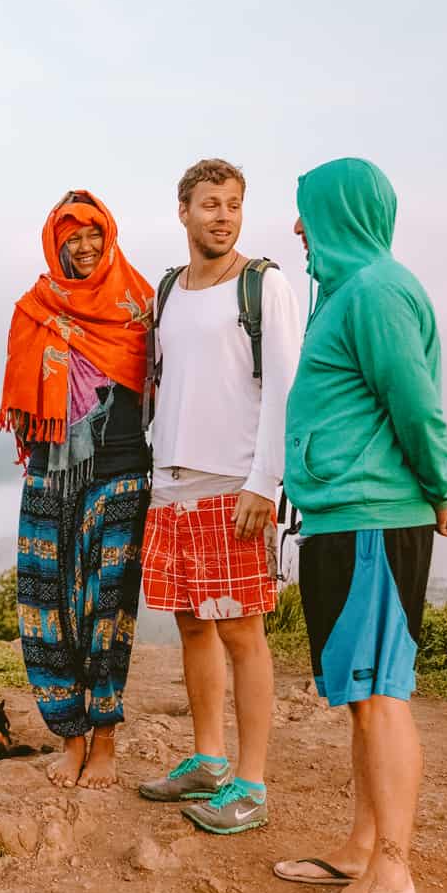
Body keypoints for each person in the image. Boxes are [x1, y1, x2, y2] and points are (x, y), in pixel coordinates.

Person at [272, 157, 447, 893]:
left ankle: (393, 874)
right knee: (361, 698)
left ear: (340, 211)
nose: (297, 227)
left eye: (306, 211)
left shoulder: (376, 291)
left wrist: (441, 488)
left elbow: (413, 400)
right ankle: (364, 847)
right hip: (342, 519)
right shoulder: (346, 294)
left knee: (381, 695)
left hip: (372, 521)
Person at [135, 159, 303, 834]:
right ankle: (207, 759)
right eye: (210, 203)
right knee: (191, 623)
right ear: (183, 210)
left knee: (242, 631)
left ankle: (252, 785)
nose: (223, 215)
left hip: (235, 485)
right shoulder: (168, 289)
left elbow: (287, 390)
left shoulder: (264, 286)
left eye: (233, 203)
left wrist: (266, 482)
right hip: (170, 484)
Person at [0, 189, 153, 789]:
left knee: (107, 611)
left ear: (109, 236)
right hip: (48, 473)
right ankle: (71, 737)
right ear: (54, 244)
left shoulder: (139, 305)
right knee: (47, 608)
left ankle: (106, 738)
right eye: (71, 237)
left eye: (93, 234)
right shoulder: (33, 309)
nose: (84, 247)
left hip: (118, 472)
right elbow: (20, 390)